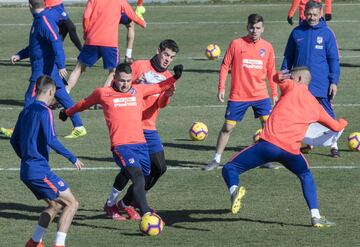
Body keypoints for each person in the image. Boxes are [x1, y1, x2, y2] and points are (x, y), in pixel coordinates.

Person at [222, 67, 347, 227]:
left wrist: (280, 75)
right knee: (305, 175)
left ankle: (234, 191)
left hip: (269, 145)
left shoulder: (292, 87)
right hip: (291, 152)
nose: (289, 79)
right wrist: (344, 122)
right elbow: (336, 127)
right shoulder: (316, 107)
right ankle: (315, 216)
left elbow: (277, 78)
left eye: (292, 77)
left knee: (230, 168)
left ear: (299, 79)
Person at [59, 63, 183, 221]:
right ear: (114, 78)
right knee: (137, 176)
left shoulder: (138, 90)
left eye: (128, 80)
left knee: (143, 176)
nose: (125, 84)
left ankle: (113, 204)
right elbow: (83, 104)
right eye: (122, 80)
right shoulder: (103, 93)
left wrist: (175, 77)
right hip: (121, 146)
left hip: (141, 144)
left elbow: (159, 86)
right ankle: (146, 212)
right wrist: (67, 112)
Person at [106, 40, 179, 219]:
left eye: (171, 57)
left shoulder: (168, 76)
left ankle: (126, 202)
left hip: (149, 127)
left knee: (159, 168)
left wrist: (167, 95)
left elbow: (161, 104)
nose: (167, 60)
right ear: (158, 51)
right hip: (132, 127)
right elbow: (118, 83)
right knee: (132, 168)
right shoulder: (140, 66)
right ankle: (116, 204)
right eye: (165, 55)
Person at [10, 75, 84, 247]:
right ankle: (59, 244)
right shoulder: (45, 111)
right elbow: (51, 140)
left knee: (55, 206)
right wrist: (72, 158)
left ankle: (34, 241)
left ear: (36, 89)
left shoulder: (25, 111)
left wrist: (27, 157)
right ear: (51, 91)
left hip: (27, 171)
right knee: (72, 204)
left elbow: (14, 141)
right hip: (39, 171)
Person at [204, 13, 278, 171]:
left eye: (258, 28)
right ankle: (216, 159)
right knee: (228, 128)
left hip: (260, 95)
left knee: (267, 126)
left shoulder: (268, 47)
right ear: (247, 27)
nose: (254, 31)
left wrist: (274, 93)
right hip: (239, 95)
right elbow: (225, 66)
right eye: (252, 27)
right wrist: (221, 87)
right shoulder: (236, 44)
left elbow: (272, 72)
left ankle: (265, 159)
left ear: (263, 29)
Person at [2, 0, 86, 139]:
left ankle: (19, 130)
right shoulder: (39, 20)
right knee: (62, 96)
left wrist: (61, 65)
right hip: (47, 69)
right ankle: (79, 126)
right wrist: (20, 55)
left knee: (29, 98)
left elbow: (56, 42)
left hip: (43, 70)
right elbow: (36, 46)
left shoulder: (44, 21)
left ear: (30, 5)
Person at [281, 0, 341, 157]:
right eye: (309, 14)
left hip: (321, 83)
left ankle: (334, 145)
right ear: (304, 14)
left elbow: (333, 59)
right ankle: (306, 144)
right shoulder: (296, 33)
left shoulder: (327, 34)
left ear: (321, 13)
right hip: (299, 84)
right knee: (300, 115)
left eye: (315, 14)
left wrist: (334, 81)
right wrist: (284, 74)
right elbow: (288, 57)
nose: (312, 17)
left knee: (327, 115)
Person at [65, 0, 146, 93]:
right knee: (113, 72)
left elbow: (86, 16)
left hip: (92, 40)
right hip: (109, 43)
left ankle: (65, 93)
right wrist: (142, 23)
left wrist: (86, 32)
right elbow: (131, 14)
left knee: (78, 68)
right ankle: (102, 97)